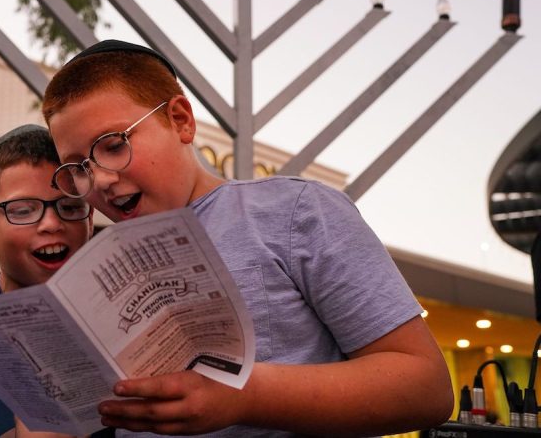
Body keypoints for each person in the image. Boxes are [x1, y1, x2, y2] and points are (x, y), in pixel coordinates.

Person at [40, 39, 454, 437]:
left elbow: (426, 388)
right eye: (77, 168)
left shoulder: (296, 212)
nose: (101, 180)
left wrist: (247, 395)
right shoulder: (99, 267)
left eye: (113, 146)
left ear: (180, 121)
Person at [0, 124, 98, 437]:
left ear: (89, 218)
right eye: (23, 210)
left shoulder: (118, 323)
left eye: (70, 207)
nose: (52, 224)